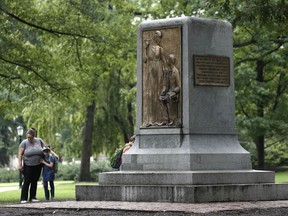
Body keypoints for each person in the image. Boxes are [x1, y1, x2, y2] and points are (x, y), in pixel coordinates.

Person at [143, 30, 166, 126]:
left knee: (159, 92)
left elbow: (164, 61)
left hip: (159, 70)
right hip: (151, 70)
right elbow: (144, 60)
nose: (159, 39)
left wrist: (167, 72)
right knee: (151, 93)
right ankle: (150, 119)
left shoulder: (160, 49)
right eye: (158, 37)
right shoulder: (148, 47)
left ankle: (162, 118)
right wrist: (145, 48)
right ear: (154, 37)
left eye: (160, 37)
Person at [18, 128, 44, 203]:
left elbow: (46, 148)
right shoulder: (24, 143)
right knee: (27, 181)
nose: (29, 139)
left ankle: (33, 197)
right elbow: (20, 154)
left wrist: (53, 154)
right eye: (28, 137)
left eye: (31, 137)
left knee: (34, 181)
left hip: (38, 164)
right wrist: (20, 164)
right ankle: (23, 198)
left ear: (34, 136)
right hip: (28, 164)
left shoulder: (39, 141)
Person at [159, 54, 180, 126]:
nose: (167, 61)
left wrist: (173, 91)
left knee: (169, 97)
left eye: (168, 59)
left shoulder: (175, 71)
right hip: (168, 92)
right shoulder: (167, 71)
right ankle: (166, 119)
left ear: (171, 61)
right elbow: (165, 84)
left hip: (174, 92)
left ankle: (172, 119)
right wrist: (163, 91)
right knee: (161, 99)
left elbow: (178, 86)